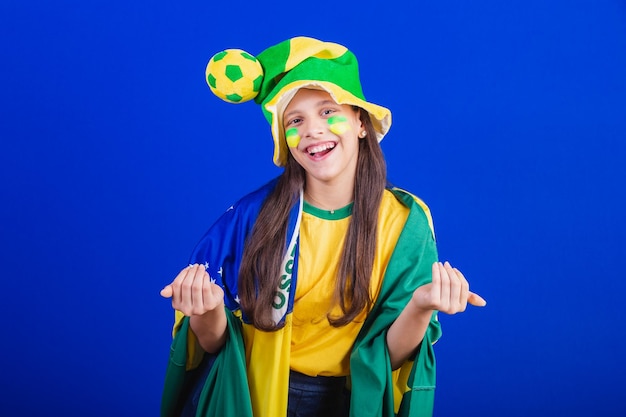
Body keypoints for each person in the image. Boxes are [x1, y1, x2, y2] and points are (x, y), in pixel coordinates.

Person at [159, 36, 486, 417]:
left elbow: (389, 356)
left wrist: (421, 306)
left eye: (328, 112)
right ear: (285, 138)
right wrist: (205, 309)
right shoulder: (252, 218)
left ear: (361, 122)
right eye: (295, 121)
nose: (313, 130)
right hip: (253, 395)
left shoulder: (405, 222)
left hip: (345, 402)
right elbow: (215, 344)